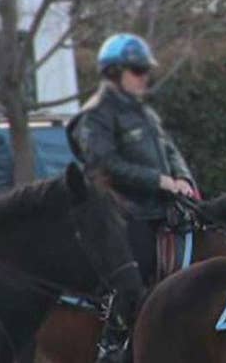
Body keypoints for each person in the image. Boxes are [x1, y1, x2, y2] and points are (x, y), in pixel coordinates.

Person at [66, 33, 196, 362]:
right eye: (137, 71)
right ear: (114, 73)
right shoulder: (96, 115)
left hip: (162, 209)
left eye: (145, 71)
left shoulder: (144, 113)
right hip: (124, 212)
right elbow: (105, 164)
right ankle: (112, 344)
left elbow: (169, 149)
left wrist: (182, 178)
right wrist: (160, 180)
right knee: (132, 274)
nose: (144, 77)